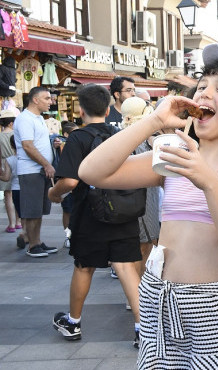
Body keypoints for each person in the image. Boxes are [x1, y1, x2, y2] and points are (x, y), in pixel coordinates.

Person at [78, 43, 218, 369]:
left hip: (217, 307)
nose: (206, 93)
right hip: (160, 297)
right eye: (202, 86)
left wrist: (209, 182)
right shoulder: (172, 157)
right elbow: (91, 171)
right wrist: (153, 120)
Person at [48, 84, 143, 346]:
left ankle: (73, 322)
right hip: (123, 211)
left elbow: (68, 182)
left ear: (81, 110)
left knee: (84, 266)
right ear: (108, 107)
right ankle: (141, 329)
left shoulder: (78, 138)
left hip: (90, 214)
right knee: (126, 267)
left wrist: (52, 194)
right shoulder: (120, 135)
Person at [14, 86, 57, 257]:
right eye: (47, 98)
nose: (50, 101)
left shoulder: (38, 118)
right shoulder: (25, 118)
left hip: (40, 170)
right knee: (32, 211)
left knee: (39, 210)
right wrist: (47, 164)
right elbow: (27, 146)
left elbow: (36, 143)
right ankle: (32, 245)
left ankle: (37, 241)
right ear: (35, 100)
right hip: (31, 170)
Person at [119, 96, 158, 278]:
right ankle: (136, 293)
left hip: (146, 199)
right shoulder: (129, 137)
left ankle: (138, 291)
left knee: (147, 244)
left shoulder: (146, 137)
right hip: (135, 200)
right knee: (141, 246)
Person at [59, 122, 78, 248]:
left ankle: (74, 235)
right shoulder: (62, 145)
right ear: (65, 134)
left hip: (78, 184)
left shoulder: (76, 144)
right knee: (67, 211)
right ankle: (68, 236)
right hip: (67, 184)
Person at [0, 109, 19, 233]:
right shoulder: (17, 135)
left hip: (4, 164)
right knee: (18, 194)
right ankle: (19, 221)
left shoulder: (0, 136)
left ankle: (11, 224)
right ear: (11, 123)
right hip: (17, 163)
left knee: (8, 195)